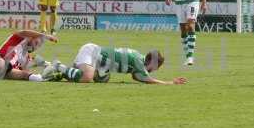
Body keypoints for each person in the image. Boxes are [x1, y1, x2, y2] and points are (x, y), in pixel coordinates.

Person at [42, 43, 187, 85]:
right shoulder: (138, 61)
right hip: (92, 52)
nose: (153, 71)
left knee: (102, 79)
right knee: (87, 78)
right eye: (155, 68)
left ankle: (61, 73)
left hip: (98, 62)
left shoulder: (138, 59)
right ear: (152, 63)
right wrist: (169, 83)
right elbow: (146, 79)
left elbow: (137, 77)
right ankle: (57, 65)